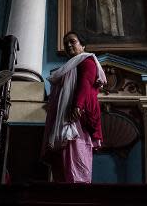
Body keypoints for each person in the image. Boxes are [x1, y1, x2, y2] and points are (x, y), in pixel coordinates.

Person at [41, 31, 106, 183]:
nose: (68, 45)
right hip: (66, 113)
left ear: (82, 45)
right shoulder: (69, 66)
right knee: (64, 153)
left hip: (77, 115)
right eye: (66, 43)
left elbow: (85, 83)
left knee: (76, 150)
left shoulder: (87, 61)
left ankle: (78, 190)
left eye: (72, 41)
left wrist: (77, 105)